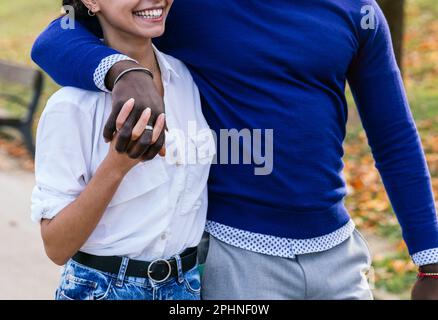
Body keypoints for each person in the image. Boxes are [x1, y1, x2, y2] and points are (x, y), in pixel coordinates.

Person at [32, 0, 438, 299]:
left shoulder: (359, 11)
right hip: (235, 254)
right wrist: (122, 70)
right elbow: (56, 35)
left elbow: (394, 135)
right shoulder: (181, 7)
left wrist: (430, 260)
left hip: (338, 254)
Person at [31, 0, 214, 300]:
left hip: (186, 288)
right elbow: (56, 246)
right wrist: (117, 166)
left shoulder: (185, 80)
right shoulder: (71, 106)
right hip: (103, 288)